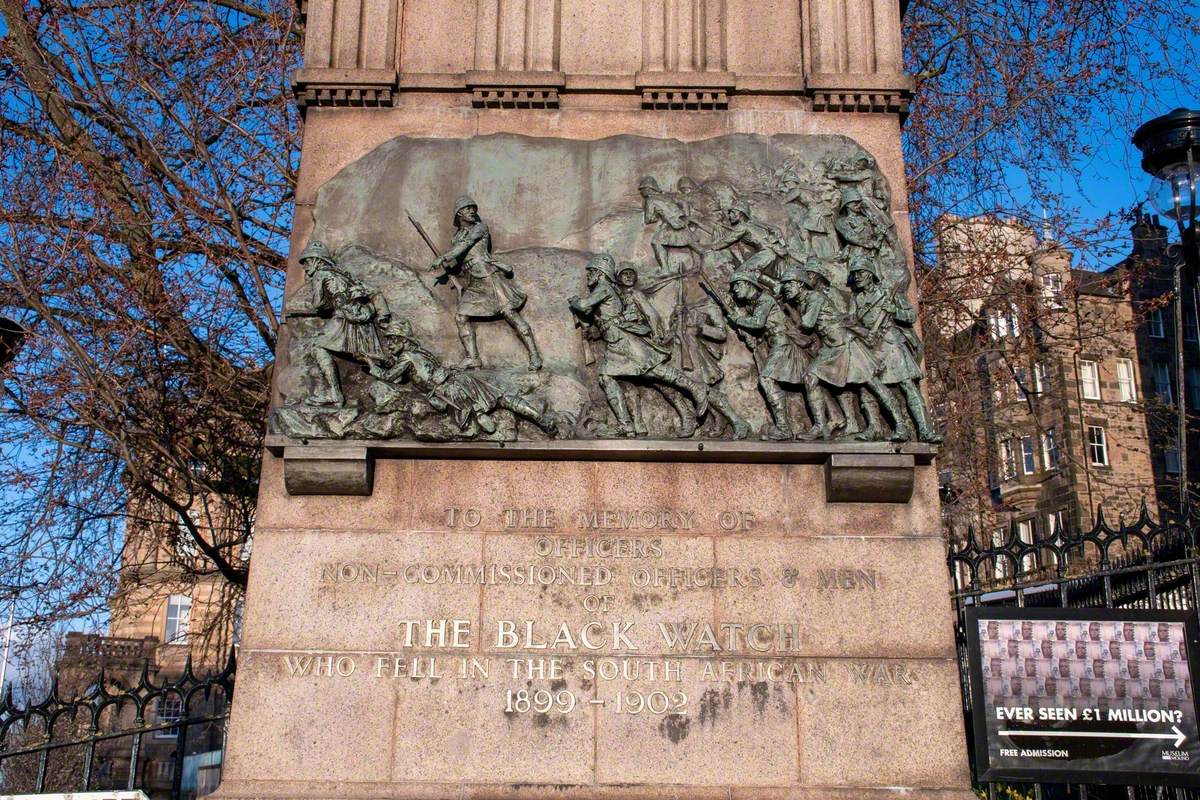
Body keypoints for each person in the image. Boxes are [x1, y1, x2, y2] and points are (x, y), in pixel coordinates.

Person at [568, 255, 708, 438]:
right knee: (608, 378)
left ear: (599, 272)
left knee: (654, 372)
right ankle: (626, 425)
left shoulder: (604, 287)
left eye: (591, 272)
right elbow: (602, 317)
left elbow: (585, 305)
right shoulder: (612, 291)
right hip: (615, 343)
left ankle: (694, 387)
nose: (589, 276)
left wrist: (574, 301)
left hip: (625, 343)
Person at [369, 320, 561, 438]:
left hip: (448, 392)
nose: (389, 344)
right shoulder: (419, 352)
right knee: (502, 398)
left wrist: (371, 366)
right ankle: (541, 419)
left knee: (481, 412)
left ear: (403, 340)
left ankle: (477, 414)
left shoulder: (406, 358)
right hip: (460, 380)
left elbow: (389, 377)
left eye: (392, 340)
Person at [795, 259, 911, 441]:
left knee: (872, 384)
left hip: (848, 343)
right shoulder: (845, 298)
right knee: (818, 378)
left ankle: (901, 425)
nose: (807, 278)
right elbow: (851, 316)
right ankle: (822, 426)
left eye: (810, 274)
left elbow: (813, 323)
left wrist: (864, 329)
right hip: (832, 345)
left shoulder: (826, 295)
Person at [432, 195, 542, 370]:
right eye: (468, 209)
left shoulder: (480, 228)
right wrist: (451, 269)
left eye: (473, 208)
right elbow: (460, 256)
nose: (472, 211)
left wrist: (444, 257)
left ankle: (534, 355)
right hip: (473, 281)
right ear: (459, 212)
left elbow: (465, 246)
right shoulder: (456, 237)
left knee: (509, 313)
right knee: (461, 317)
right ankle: (472, 358)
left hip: (487, 276)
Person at [848, 255, 941, 442]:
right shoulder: (856, 299)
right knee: (867, 389)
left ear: (871, 274)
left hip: (891, 344)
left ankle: (924, 430)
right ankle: (884, 427)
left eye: (861, 273)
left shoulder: (889, 293)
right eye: (855, 273)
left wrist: (894, 310)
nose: (857, 277)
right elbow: (851, 321)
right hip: (871, 347)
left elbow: (910, 317)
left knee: (907, 385)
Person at [726, 270, 823, 440]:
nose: (735, 290)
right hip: (776, 344)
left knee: (767, 379)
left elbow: (758, 323)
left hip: (784, 343)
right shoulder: (752, 304)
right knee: (807, 382)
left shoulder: (764, 300)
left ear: (750, 285)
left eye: (738, 285)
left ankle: (785, 428)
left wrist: (737, 320)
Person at [294, 239, 391, 406]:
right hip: (362, 319)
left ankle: (334, 394)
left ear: (317, 260)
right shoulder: (344, 274)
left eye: (307, 261)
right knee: (365, 357)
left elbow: (318, 304)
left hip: (344, 319)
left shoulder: (320, 274)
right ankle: (391, 381)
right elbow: (373, 291)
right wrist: (382, 314)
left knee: (317, 346)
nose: (305, 266)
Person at [699, 199, 789, 278]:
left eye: (733, 212)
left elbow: (727, 240)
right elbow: (776, 230)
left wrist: (711, 247)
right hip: (773, 252)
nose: (729, 215)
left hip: (766, 253)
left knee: (741, 273)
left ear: (741, 214)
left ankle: (773, 287)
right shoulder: (753, 223)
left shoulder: (742, 226)